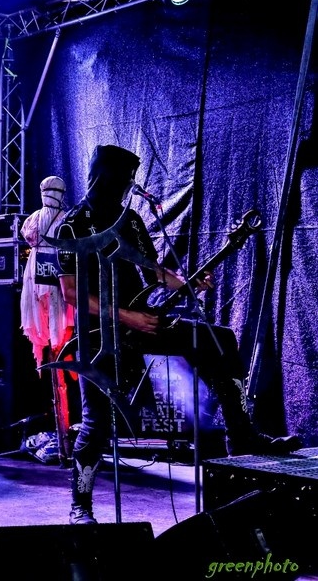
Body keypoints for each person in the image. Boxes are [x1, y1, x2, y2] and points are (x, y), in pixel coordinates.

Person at [56, 144, 301, 525]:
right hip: (99, 334)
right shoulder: (72, 226)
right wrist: (127, 317)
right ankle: (81, 506)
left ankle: (242, 435)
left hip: (143, 320)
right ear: (105, 177)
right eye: (124, 179)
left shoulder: (130, 220)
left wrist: (186, 283)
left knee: (219, 339)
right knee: (96, 422)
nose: (129, 186)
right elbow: (71, 293)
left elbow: (155, 272)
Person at [19, 175, 75, 465]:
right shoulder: (62, 220)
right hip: (48, 281)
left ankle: (65, 433)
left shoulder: (38, 221)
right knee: (54, 342)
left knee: (58, 342)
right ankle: (62, 434)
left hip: (52, 282)